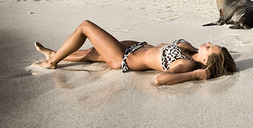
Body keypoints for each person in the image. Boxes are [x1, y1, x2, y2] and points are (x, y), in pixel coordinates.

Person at [33, 20, 237, 85]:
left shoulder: (186, 65)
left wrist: (195, 75)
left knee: (85, 27)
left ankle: (52, 62)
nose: (208, 43)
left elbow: (159, 80)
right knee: (89, 52)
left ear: (205, 59)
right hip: (132, 47)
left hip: (122, 58)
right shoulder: (190, 50)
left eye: (210, 48)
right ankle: (53, 54)